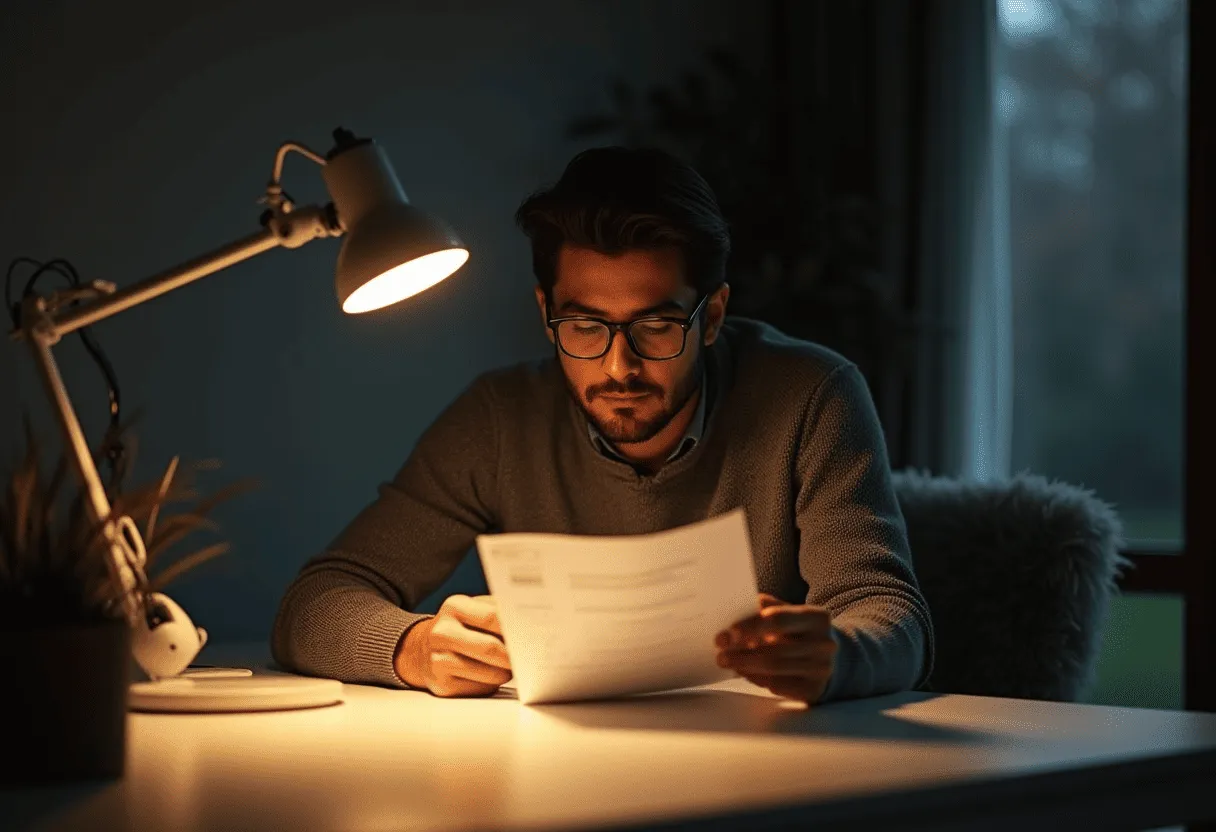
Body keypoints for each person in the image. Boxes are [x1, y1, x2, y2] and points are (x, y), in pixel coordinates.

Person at [272, 146, 934, 704]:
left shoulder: (810, 396)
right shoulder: (500, 419)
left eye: (657, 325)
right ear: (545, 313)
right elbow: (314, 603)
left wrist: (838, 656)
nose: (620, 366)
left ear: (711, 316)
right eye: (585, 326)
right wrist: (410, 648)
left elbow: (893, 618)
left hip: (771, 770)